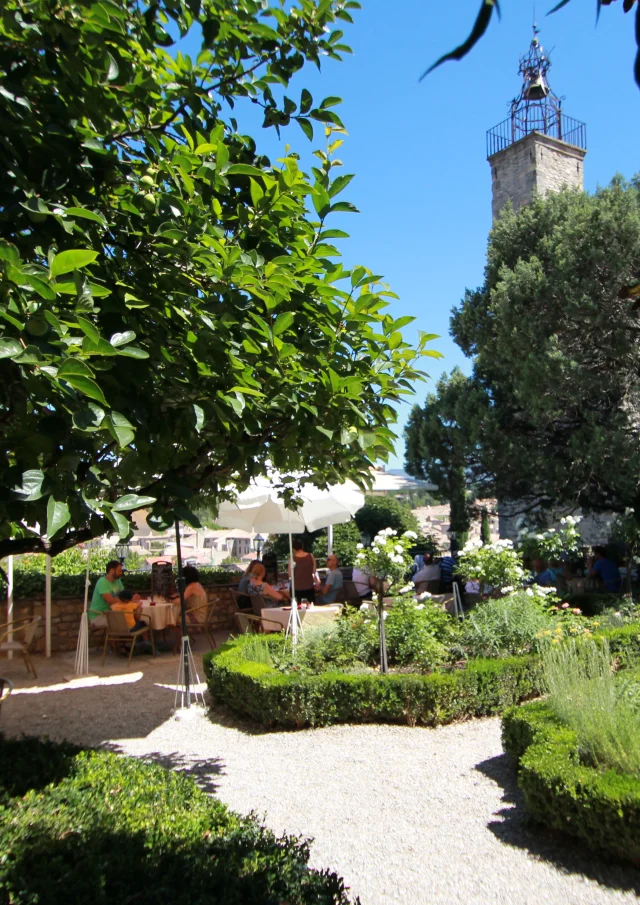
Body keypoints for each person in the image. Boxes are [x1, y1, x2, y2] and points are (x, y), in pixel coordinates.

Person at [89, 560, 140, 628]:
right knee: (127, 619)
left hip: (112, 613)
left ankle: (136, 637)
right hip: (98, 616)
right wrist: (129, 600)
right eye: (119, 570)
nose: (121, 573)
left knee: (136, 616)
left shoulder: (117, 581)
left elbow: (124, 596)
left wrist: (131, 598)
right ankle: (129, 637)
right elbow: (111, 601)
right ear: (112, 570)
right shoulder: (102, 582)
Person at [289, 538, 317, 604]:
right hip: (309, 587)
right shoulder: (311, 556)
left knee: (297, 607)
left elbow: (290, 574)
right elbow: (314, 571)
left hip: (296, 589)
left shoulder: (292, 559)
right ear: (302, 546)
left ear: (293, 548)